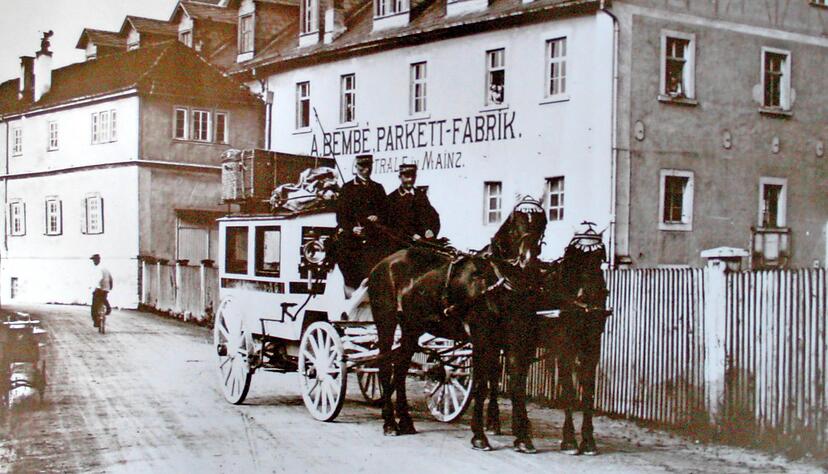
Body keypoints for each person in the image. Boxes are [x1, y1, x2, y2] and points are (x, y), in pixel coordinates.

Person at [334, 154, 389, 295]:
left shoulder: (378, 188)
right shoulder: (347, 189)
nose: (366, 169)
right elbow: (341, 216)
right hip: (354, 242)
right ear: (356, 167)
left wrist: (378, 217)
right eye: (362, 166)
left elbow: (387, 213)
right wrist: (352, 229)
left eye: (369, 166)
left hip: (374, 240)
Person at [386, 163, 440, 242]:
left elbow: (433, 216)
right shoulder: (392, 198)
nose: (410, 179)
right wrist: (411, 236)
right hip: (402, 244)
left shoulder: (421, 196)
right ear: (400, 177)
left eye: (413, 176)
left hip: (424, 242)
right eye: (407, 176)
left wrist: (430, 230)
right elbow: (392, 226)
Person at [90, 254, 113, 328]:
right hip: (106, 288)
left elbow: (100, 279)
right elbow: (111, 278)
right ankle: (108, 307)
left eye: (94, 260)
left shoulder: (98, 268)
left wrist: (97, 288)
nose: (93, 262)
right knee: (103, 299)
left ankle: (96, 322)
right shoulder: (105, 268)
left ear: (97, 260)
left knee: (94, 305)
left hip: (100, 288)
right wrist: (110, 287)